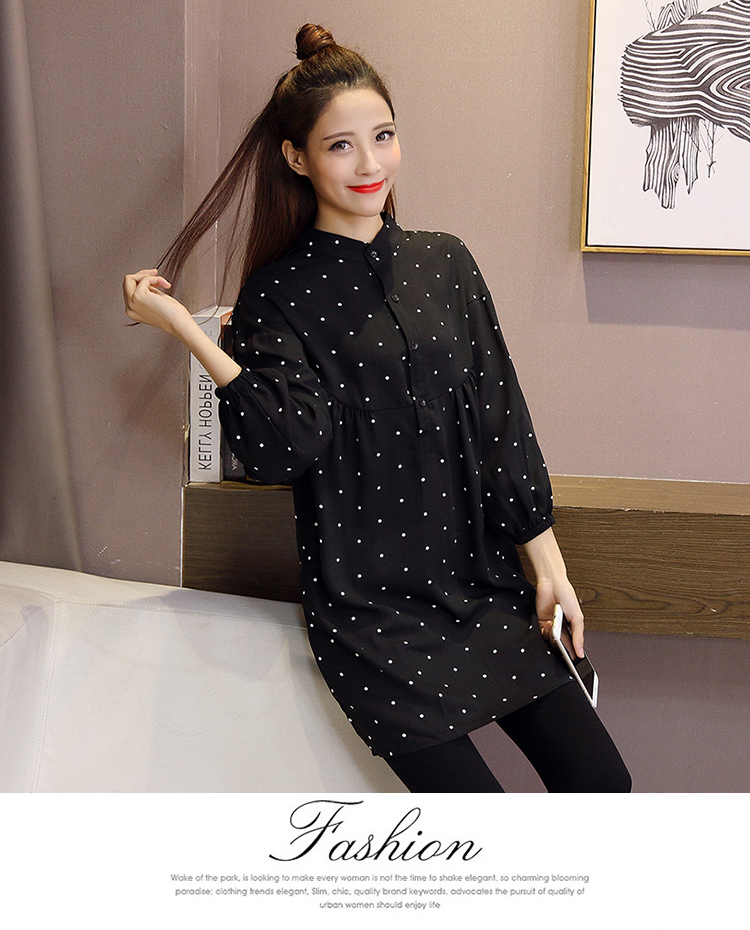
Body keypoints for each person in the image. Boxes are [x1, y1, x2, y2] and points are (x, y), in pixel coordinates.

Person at [123, 24, 631, 793]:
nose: (370, 164)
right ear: (297, 157)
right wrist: (189, 334)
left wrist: (550, 569)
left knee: (603, 787)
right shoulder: (277, 293)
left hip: (486, 590)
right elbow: (283, 446)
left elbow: (501, 422)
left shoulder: (446, 262)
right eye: (341, 145)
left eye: (383, 136)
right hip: (372, 618)